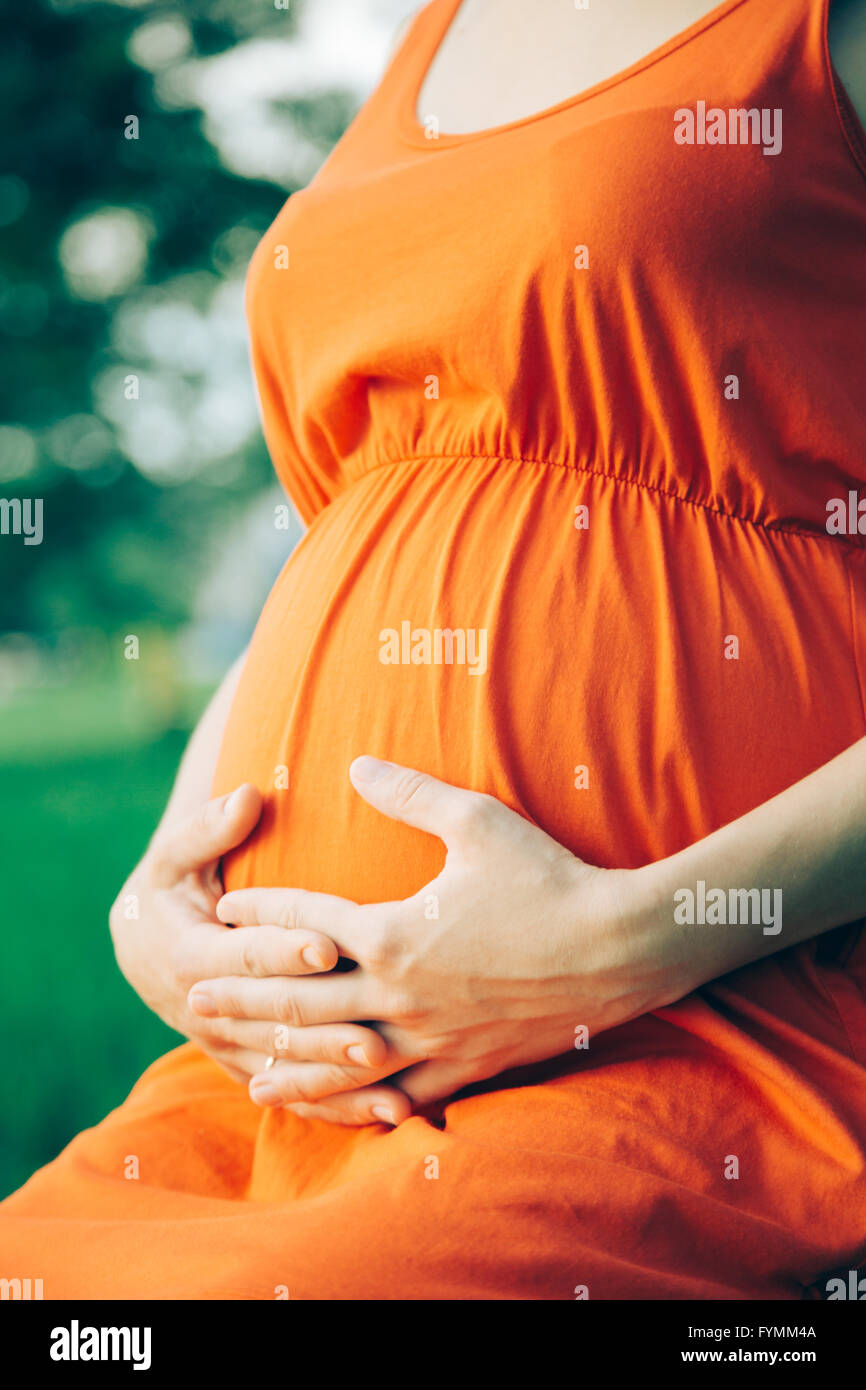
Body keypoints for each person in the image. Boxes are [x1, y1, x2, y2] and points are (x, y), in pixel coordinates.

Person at [2, 0, 865, 1300]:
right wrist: (156, 897)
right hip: (303, 1072)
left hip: (709, 1022)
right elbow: (356, 532)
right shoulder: (439, 31)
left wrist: (624, 939)